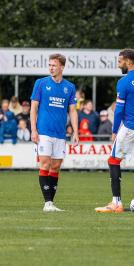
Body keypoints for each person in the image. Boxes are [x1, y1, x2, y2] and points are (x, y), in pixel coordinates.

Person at [95, 49, 134, 213]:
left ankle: (116, 203)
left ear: (129, 61)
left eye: (120, 61)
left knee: (114, 160)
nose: (118, 64)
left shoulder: (124, 82)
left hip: (131, 126)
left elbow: (118, 110)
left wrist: (115, 130)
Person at [30, 53, 79, 212]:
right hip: (43, 131)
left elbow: (72, 111)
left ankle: (51, 203)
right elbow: (33, 108)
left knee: (56, 166)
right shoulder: (41, 83)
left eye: (54, 65)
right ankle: (48, 203)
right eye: (49, 65)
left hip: (60, 133)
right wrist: (33, 129)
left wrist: (76, 132)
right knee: (44, 164)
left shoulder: (69, 87)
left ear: (62, 67)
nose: (51, 68)